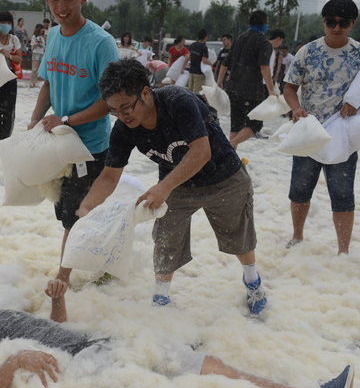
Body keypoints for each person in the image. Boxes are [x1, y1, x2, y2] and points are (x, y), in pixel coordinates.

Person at [76, 59, 266, 314]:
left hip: (225, 178)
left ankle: (252, 281)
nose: (122, 116)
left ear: (145, 92)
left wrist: (163, 187)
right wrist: (88, 207)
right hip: (178, 185)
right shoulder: (124, 128)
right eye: (114, 111)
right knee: (166, 241)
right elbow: (110, 175)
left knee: (239, 239)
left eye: (126, 108)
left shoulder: (177, 100)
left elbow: (201, 152)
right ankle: (161, 297)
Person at [0, 281, 355, 388]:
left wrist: (58, 302)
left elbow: (56, 332)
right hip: (87, 369)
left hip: (100, 345)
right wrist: (13, 361)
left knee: (214, 368)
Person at [28, 0, 119, 289]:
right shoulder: (53, 36)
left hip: (89, 147)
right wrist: (34, 119)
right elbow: (49, 83)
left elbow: (111, 100)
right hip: (58, 144)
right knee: (69, 211)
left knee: (76, 215)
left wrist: (67, 120)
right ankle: (107, 257)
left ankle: (62, 279)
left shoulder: (101, 43)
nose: (61, 7)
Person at [282, 0, 360, 255]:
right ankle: (297, 236)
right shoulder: (307, 52)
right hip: (309, 132)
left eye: (343, 23)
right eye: (331, 22)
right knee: (299, 189)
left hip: (344, 133)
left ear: (352, 24)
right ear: (323, 22)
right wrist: (295, 108)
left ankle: (343, 251)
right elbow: (290, 87)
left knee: (342, 194)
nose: (336, 27)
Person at [217, 10, 277, 149]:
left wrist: (219, 81)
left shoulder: (239, 38)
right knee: (255, 125)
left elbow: (226, 62)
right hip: (251, 91)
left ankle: (231, 161)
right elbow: (264, 67)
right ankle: (230, 146)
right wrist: (271, 90)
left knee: (236, 125)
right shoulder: (263, 43)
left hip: (232, 87)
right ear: (263, 23)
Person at [0, 11, 20, 141]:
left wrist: (9, 55)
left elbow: (19, 59)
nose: (5, 25)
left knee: (9, 110)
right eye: (3, 22)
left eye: (8, 22)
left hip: (10, 78)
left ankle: (4, 139)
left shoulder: (14, 39)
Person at [186, 28, 210, 94]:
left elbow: (189, 57)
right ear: (205, 37)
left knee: (190, 90)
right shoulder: (204, 47)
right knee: (196, 92)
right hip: (199, 72)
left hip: (191, 71)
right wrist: (210, 64)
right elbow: (204, 60)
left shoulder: (193, 45)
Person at [29, 23, 45, 88]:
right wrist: (37, 43)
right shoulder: (34, 37)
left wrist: (41, 43)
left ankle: (35, 81)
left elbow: (44, 45)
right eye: (41, 29)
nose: (42, 30)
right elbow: (32, 45)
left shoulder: (42, 37)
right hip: (36, 53)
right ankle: (31, 81)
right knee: (34, 68)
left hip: (41, 53)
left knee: (38, 69)